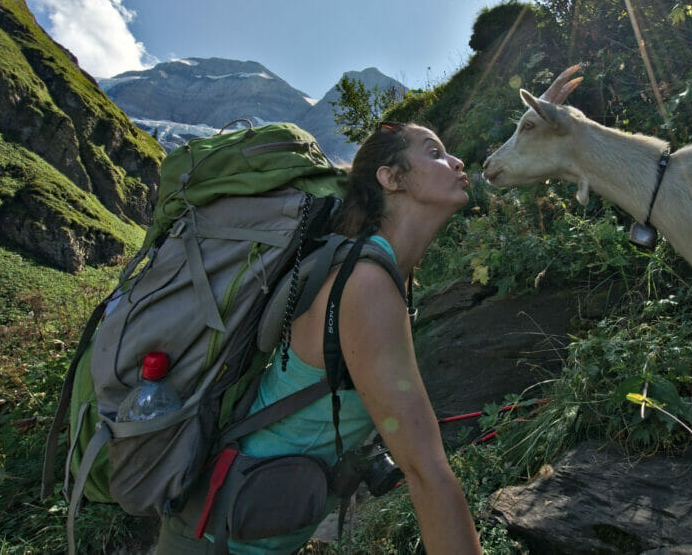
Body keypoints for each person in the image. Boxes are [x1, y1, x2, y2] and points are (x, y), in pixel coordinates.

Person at [157, 121, 482, 554]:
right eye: (434, 152)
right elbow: (426, 470)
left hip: (238, 519)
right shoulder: (365, 283)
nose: (456, 161)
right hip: (217, 538)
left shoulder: (369, 267)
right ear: (391, 178)